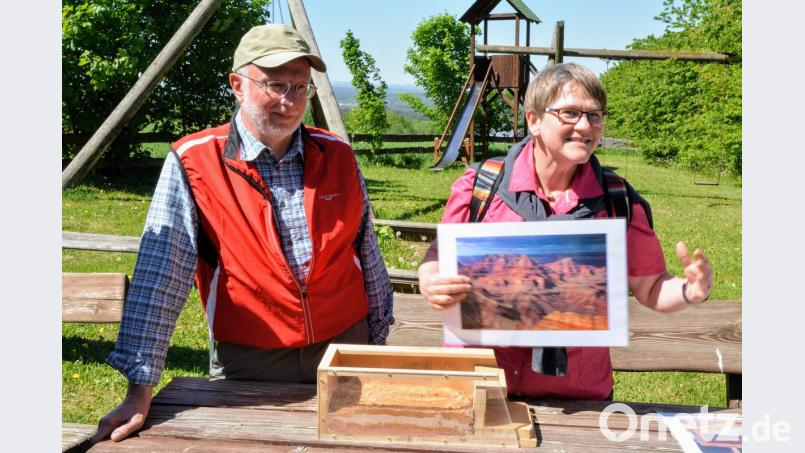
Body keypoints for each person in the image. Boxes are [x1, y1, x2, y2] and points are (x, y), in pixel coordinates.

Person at [91, 24, 394, 443]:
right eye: (276, 85)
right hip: (253, 359)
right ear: (238, 85)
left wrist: (376, 340)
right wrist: (138, 390)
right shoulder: (195, 161)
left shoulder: (337, 153)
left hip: (344, 346)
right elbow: (160, 277)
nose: (290, 102)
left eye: (301, 87)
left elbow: (366, 252)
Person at [417, 63, 712, 400]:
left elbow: (651, 287)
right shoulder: (480, 186)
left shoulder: (617, 200)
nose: (585, 126)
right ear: (533, 120)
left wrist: (690, 290)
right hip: (477, 386)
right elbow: (437, 258)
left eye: (594, 115)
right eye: (570, 113)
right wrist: (431, 280)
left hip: (577, 400)